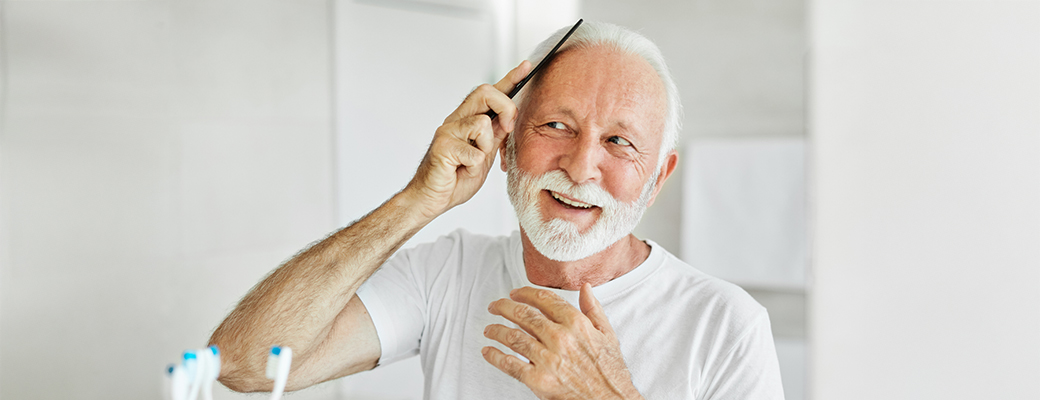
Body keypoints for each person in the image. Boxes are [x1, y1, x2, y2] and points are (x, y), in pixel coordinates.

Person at [209, 21, 785, 399]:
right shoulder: (446, 275)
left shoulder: (727, 326)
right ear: (505, 145)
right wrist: (418, 201)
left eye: (619, 142)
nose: (581, 168)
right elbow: (242, 362)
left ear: (656, 178)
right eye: (557, 126)